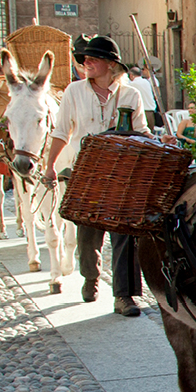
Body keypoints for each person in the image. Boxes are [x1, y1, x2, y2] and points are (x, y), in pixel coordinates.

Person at [46, 35, 150, 316]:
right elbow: (60, 132)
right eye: (84, 59)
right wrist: (49, 166)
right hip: (85, 171)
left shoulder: (130, 95)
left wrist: (156, 140)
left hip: (121, 174)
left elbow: (141, 132)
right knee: (88, 232)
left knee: (125, 234)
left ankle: (124, 296)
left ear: (110, 64)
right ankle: (91, 276)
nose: (85, 63)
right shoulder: (73, 91)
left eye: (92, 59)